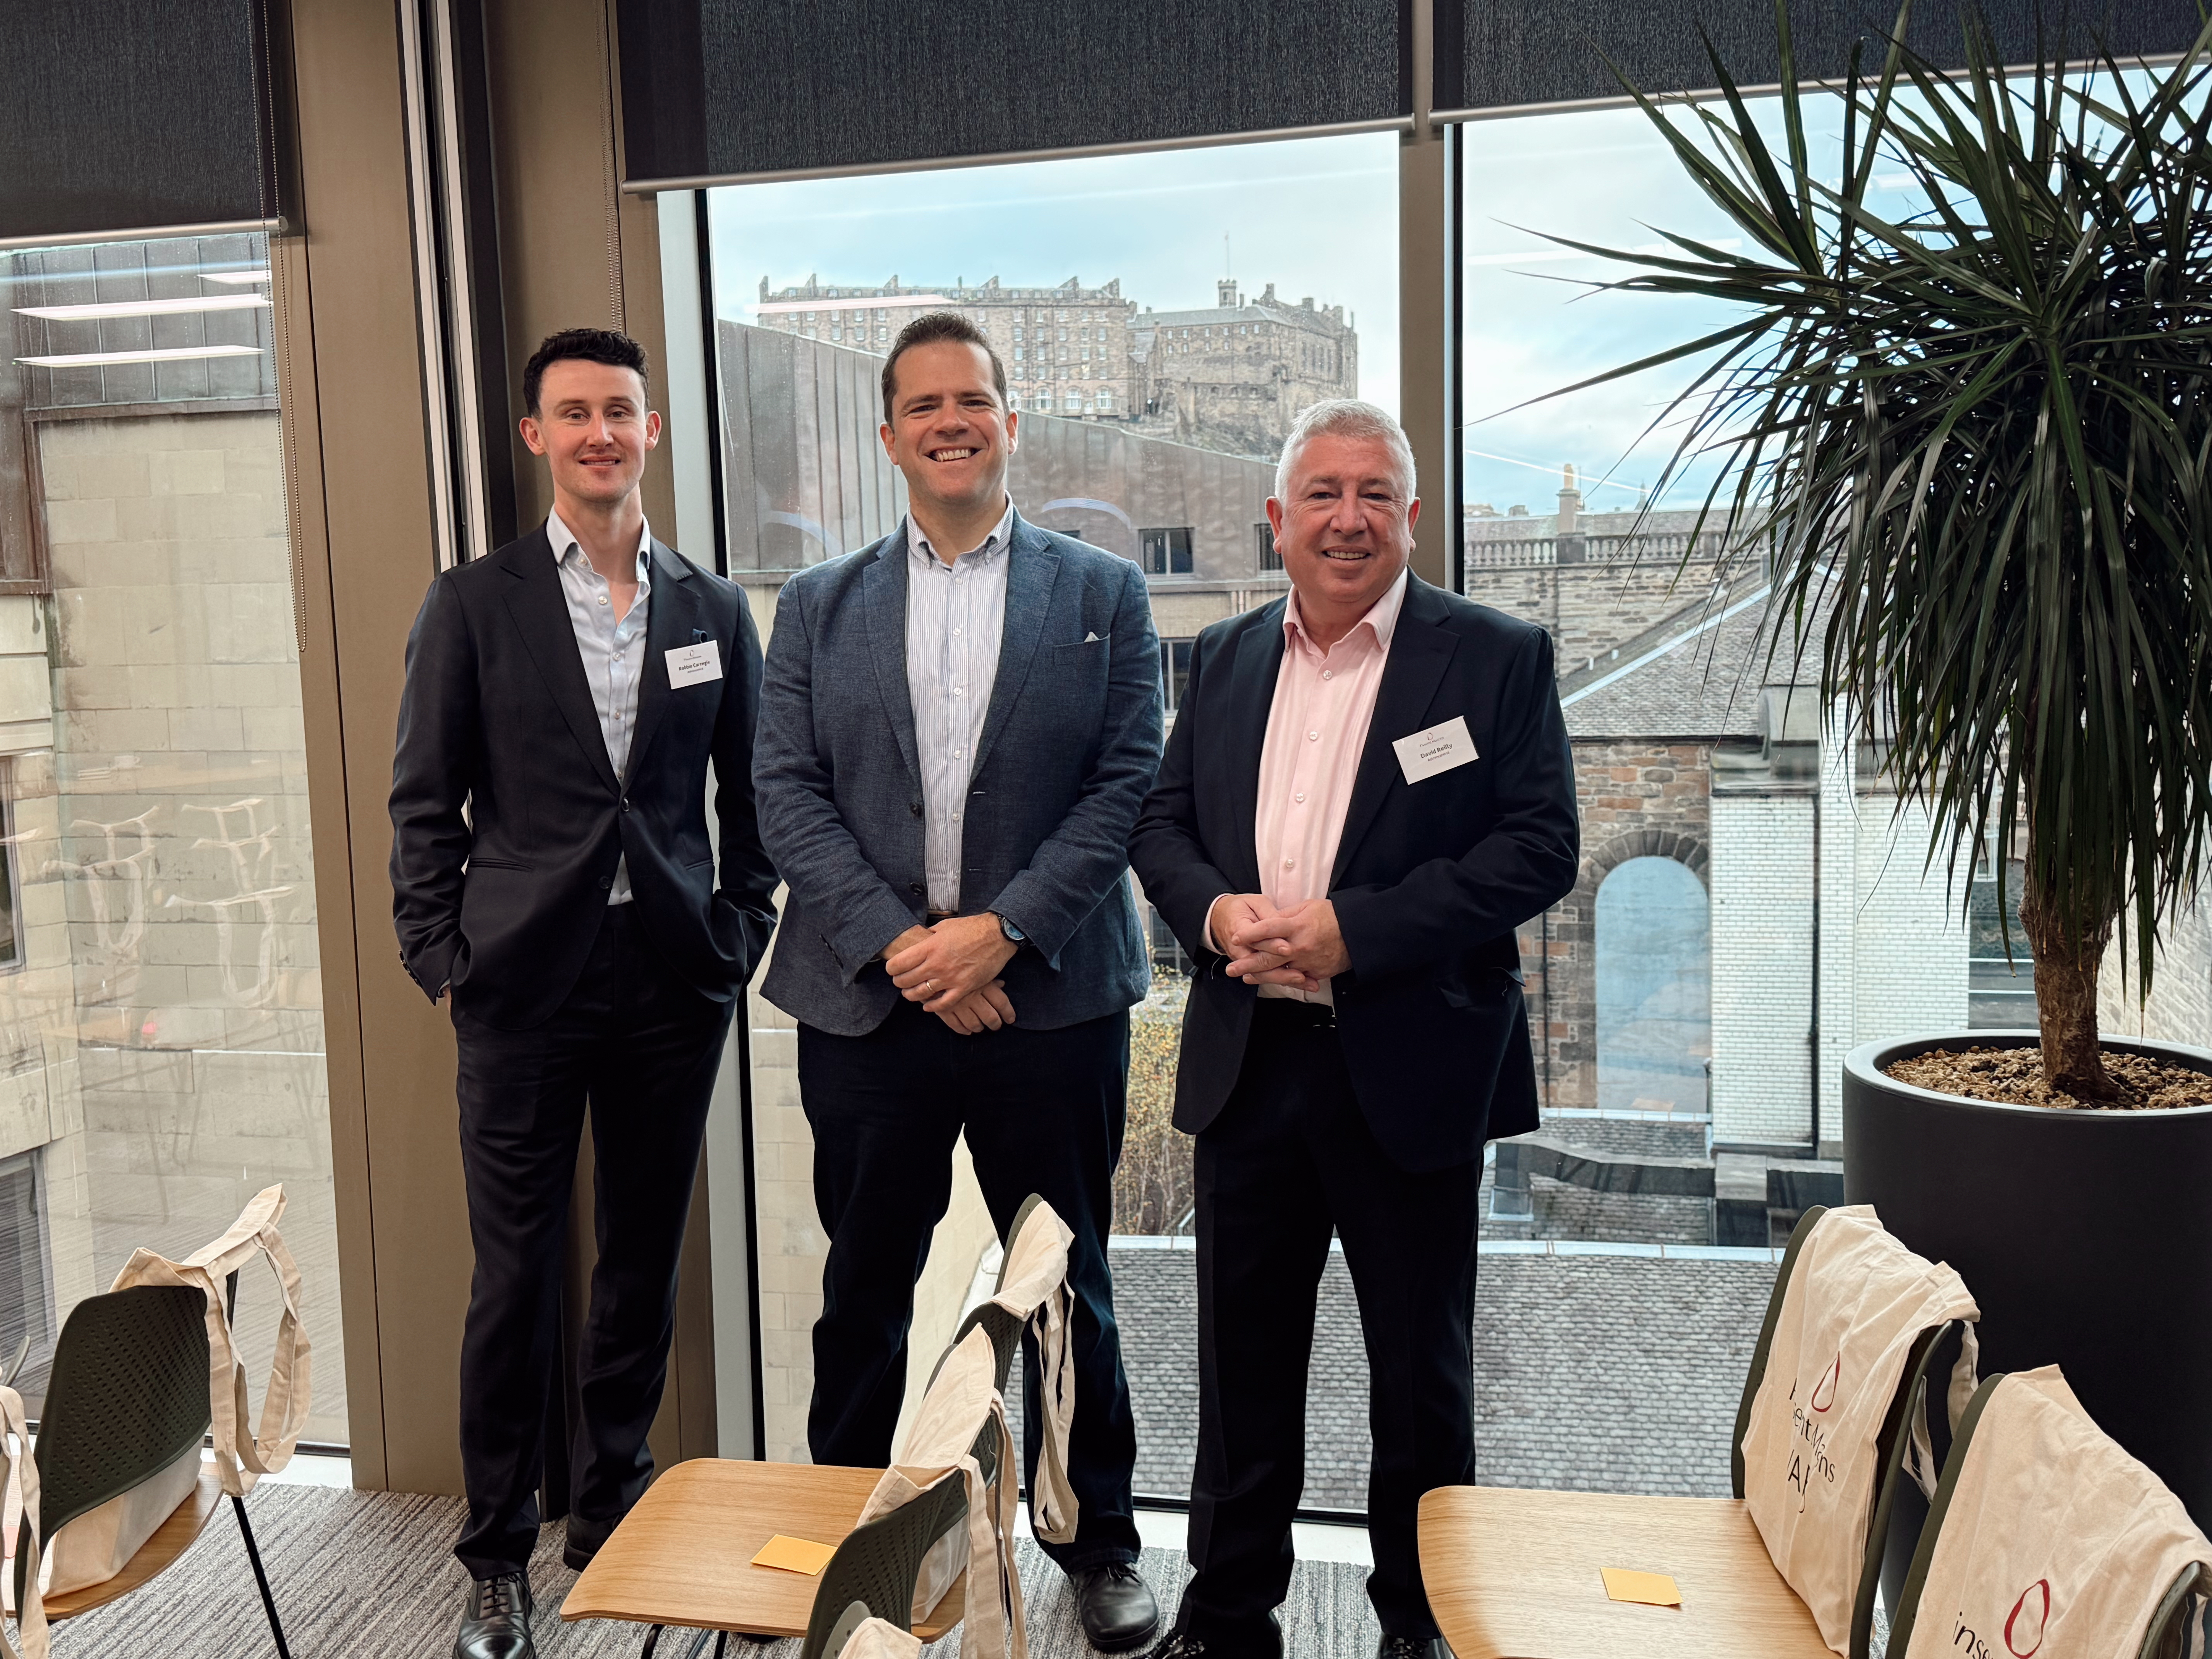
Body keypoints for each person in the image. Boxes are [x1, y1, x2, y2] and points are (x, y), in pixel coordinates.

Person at [1127, 400, 1579, 1659]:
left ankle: (1420, 1625)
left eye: (1376, 492)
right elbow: (1159, 826)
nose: (1348, 516)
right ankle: (1226, 1619)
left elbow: (1541, 848)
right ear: (1277, 521)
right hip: (1249, 1065)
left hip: (1411, 1069)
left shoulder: (1493, 658)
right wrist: (1216, 913)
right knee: (1242, 1372)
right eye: (1322, 493)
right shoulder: (1217, 660)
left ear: (1413, 518)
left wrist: (1350, 930)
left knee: (1421, 1384)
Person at [752, 311, 1164, 1650]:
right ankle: (842, 1535)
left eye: (973, 399)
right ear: (889, 437)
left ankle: (1097, 1540)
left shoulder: (1102, 593)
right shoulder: (816, 607)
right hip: (869, 1008)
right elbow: (785, 796)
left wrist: (1001, 933)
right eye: (923, 403)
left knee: (1065, 1278)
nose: (950, 420)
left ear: (1009, 420)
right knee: (865, 1282)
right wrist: (904, 945)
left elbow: (1124, 788)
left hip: (1045, 1003)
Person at [389, 328, 778, 1659]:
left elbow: (752, 797)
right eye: (576, 413)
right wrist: (446, 958)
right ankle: (495, 1552)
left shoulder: (714, 610)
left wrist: (740, 928)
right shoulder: (475, 602)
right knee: (515, 1278)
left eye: (622, 411)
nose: (602, 432)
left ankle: (607, 1501)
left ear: (652, 432)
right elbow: (422, 800)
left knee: (640, 1264)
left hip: (670, 980)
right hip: (522, 987)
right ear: (536, 437)